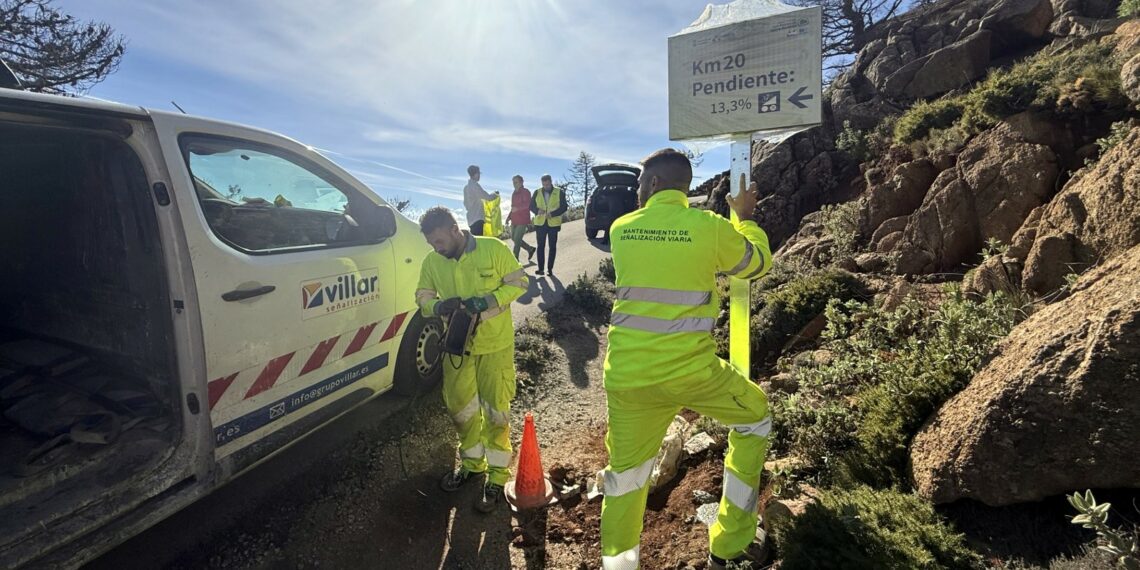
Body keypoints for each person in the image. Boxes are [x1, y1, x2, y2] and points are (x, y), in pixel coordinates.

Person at [599, 149, 773, 570]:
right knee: (755, 418)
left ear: (654, 184)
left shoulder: (623, 228)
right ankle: (730, 544)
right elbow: (757, 264)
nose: (637, 191)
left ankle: (620, 566)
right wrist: (744, 217)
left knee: (626, 478)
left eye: (641, 183)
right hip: (692, 374)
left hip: (627, 379)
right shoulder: (708, 227)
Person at [414, 207, 529, 512]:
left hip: (495, 346)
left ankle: (497, 475)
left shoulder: (493, 248)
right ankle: (472, 465)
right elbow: (423, 297)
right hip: (457, 347)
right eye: (431, 244)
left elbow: (520, 283)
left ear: (455, 230)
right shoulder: (432, 262)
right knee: (461, 409)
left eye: (439, 241)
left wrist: (488, 300)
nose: (436, 248)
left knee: (496, 410)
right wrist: (439, 307)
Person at [529, 174, 567, 276]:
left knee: (552, 247)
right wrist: (537, 210)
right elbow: (531, 206)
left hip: (553, 224)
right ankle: (540, 269)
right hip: (540, 223)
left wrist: (553, 214)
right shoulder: (537, 192)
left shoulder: (559, 192)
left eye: (547, 184)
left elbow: (564, 207)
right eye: (544, 184)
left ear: (551, 182)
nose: (546, 186)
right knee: (540, 246)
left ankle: (550, 269)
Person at [509, 175, 537, 261]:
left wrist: (518, 208)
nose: (514, 184)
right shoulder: (513, 193)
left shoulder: (526, 192)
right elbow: (513, 207)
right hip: (514, 219)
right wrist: (508, 217)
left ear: (521, 182)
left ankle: (515, 260)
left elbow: (528, 204)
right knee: (514, 238)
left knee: (517, 239)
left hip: (523, 219)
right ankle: (530, 249)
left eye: (516, 182)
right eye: (513, 182)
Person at [463, 164, 497, 236]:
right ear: (475, 174)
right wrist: (495, 194)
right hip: (478, 218)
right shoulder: (475, 185)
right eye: (478, 173)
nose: (479, 176)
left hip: (471, 219)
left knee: (476, 240)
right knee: (479, 242)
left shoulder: (466, 188)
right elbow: (487, 197)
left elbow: (465, 204)